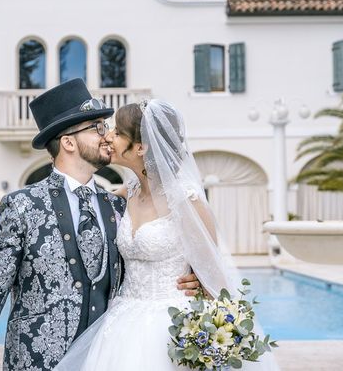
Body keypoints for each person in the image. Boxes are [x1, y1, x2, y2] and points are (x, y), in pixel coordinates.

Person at [0, 80, 200, 371]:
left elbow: (152, 261)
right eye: (96, 127)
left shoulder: (120, 206)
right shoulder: (21, 206)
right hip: (36, 361)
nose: (106, 136)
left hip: (106, 356)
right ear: (68, 142)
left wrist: (194, 280)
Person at [54, 99, 279, 370]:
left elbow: (215, 281)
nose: (108, 136)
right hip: (122, 322)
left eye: (117, 132)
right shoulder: (127, 193)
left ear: (140, 147)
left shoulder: (187, 201)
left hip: (172, 325)